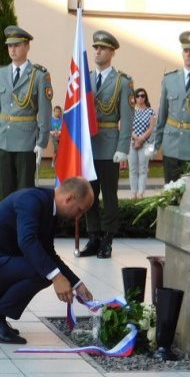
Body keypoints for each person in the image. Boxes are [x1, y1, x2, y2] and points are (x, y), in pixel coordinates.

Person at [0, 177, 95, 345]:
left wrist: (76, 284)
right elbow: (27, 241)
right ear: (69, 198)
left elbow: (48, 253)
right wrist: (57, 277)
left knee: (45, 268)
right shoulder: (31, 200)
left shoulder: (48, 207)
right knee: (42, 272)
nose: (78, 217)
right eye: (80, 210)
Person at [79, 30, 133, 259]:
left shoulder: (122, 81)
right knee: (89, 194)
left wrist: (123, 148)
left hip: (110, 146)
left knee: (109, 195)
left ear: (112, 52)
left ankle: (108, 239)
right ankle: (93, 237)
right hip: (89, 147)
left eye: (102, 48)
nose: (97, 51)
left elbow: (127, 118)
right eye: (95, 48)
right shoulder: (85, 78)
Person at [0, 26, 53, 196]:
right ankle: (9, 223)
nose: (12, 50)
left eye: (17, 45)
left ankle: (23, 223)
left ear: (27, 47)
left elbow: (45, 111)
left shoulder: (39, 75)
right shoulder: (0, 73)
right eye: (10, 46)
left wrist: (42, 142)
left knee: (24, 192)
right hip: (3, 139)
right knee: (6, 192)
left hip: (26, 140)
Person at [151, 31, 190, 183]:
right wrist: (155, 144)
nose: (188, 54)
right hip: (171, 146)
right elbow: (162, 115)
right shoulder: (170, 79)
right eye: (186, 50)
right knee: (169, 195)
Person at [128, 87, 156, 198]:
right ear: (134, 98)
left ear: (145, 97)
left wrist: (141, 140)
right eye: (138, 96)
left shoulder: (150, 111)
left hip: (145, 143)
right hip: (132, 143)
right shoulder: (131, 111)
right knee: (133, 169)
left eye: (142, 96)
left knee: (143, 169)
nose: (140, 98)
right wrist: (136, 139)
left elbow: (151, 128)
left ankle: (140, 193)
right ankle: (133, 193)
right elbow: (128, 127)